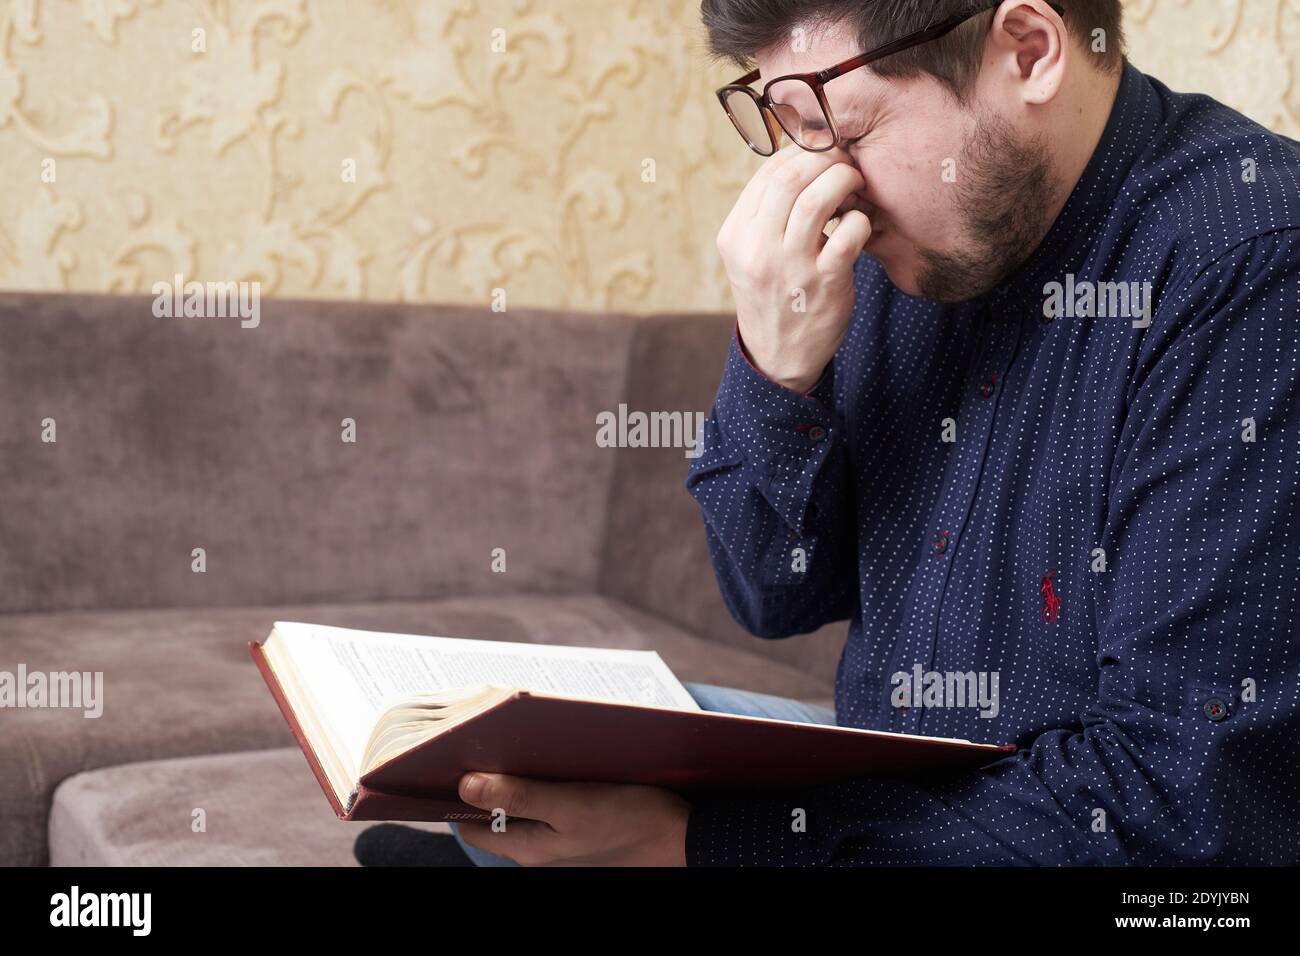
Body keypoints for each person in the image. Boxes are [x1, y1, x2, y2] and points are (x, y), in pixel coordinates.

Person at [362, 0, 1300, 866]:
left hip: (1089, 840)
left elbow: (1182, 811)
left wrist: (705, 846)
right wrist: (776, 368)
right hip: (901, 780)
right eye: (791, 132)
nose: (821, 186)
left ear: (1029, 50)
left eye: (840, 129)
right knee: (513, 774)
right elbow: (772, 596)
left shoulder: (1254, 260)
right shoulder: (900, 250)